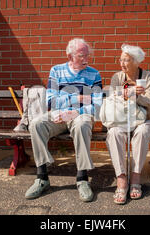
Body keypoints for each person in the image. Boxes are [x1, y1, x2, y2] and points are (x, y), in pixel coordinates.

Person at [25, 38, 103, 202]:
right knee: (36, 124)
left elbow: (96, 105)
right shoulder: (56, 71)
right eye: (82, 56)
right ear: (70, 56)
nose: (86, 59)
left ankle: (82, 178)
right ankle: (42, 177)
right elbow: (51, 101)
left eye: (87, 55)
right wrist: (79, 97)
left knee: (82, 124)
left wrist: (73, 110)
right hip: (58, 116)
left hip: (80, 115)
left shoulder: (94, 74)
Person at [106, 44, 150, 205]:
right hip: (122, 119)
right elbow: (113, 99)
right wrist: (125, 94)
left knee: (142, 132)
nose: (122, 63)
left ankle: (135, 176)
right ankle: (121, 179)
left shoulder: (148, 77)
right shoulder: (117, 77)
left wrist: (136, 95)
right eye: (120, 59)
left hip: (146, 119)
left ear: (136, 61)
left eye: (126, 60)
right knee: (113, 132)